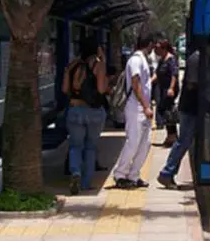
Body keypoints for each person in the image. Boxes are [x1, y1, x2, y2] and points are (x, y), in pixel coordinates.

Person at [62, 37, 108, 195]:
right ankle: (86, 183)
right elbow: (102, 89)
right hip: (94, 112)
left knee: (75, 146)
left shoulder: (73, 65)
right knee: (90, 148)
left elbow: (64, 89)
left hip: (75, 110)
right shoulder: (97, 64)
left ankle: (75, 172)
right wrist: (103, 60)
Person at [111, 31, 156, 188]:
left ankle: (134, 175)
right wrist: (145, 107)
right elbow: (136, 85)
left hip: (143, 108)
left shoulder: (143, 59)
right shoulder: (135, 60)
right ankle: (120, 174)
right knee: (133, 142)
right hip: (136, 108)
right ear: (149, 44)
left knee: (146, 143)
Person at [157, 49, 200, 189]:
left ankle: (168, 173)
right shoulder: (196, 58)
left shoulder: (198, 57)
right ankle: (166, 173)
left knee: (185, 141)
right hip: (190, 108)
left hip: (192, 108)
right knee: (183, 141)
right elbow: (191, 84)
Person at [151, 39, 179, 147]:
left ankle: (172, 136)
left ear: (164, 49)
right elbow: (157, 73)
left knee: (168, 111)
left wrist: (171, 88)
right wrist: (149, 82)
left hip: (169, 90)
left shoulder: (171, 59)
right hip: (162, 89)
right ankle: (172, 135)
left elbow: (174, 75)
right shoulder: (162, 60)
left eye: (157, 49)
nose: (156, 51)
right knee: (163, 110)